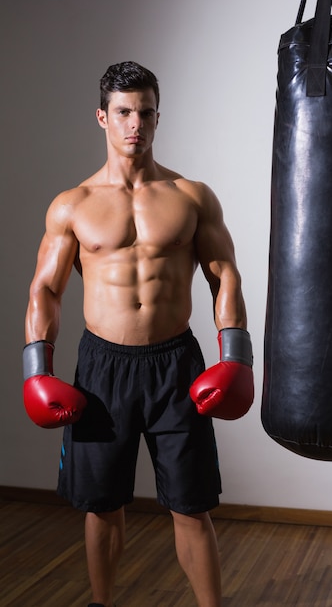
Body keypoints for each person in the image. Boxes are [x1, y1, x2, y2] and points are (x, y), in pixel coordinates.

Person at [23, 61, 254, 607]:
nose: (136, 125)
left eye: (146, 112)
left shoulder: (191, 196)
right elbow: (45, 292)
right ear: (102, 116)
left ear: (158, 116)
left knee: (191, 505)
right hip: (103, 368)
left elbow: (226, 276)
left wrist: (236, 357)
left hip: (177, 364)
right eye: (124, 112)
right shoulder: (72, 205)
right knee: (102, 505)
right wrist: (38, 370)